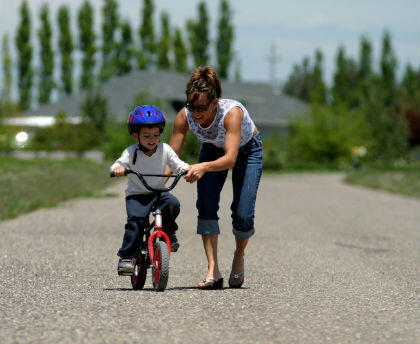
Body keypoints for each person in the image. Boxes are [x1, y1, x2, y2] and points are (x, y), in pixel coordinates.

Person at [170, 66, 263, 289]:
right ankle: (213, 270)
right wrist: (156, 186)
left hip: (246, 150)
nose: (195, 112)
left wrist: (202, 167)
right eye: (191, 106)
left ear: (214, 102)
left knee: (242, 214)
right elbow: (170, 158)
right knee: (206, 205)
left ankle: (239, 255)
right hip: (212, 148)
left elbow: (230, 159)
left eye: (201, 107)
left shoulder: (231, 113)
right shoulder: (184, 117)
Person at [111, 105, 189, 275]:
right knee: (136, 222)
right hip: (137, 195)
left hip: (158, 192)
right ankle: (126, 257)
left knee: (173, 204)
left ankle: (168, 232)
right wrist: (117, 169)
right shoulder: (131, 152)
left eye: (156, 135)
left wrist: (187, 169)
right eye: (146, 136)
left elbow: (177, 164)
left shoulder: (165, 149)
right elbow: (118, 163)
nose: (152, 139)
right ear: (135, 135)